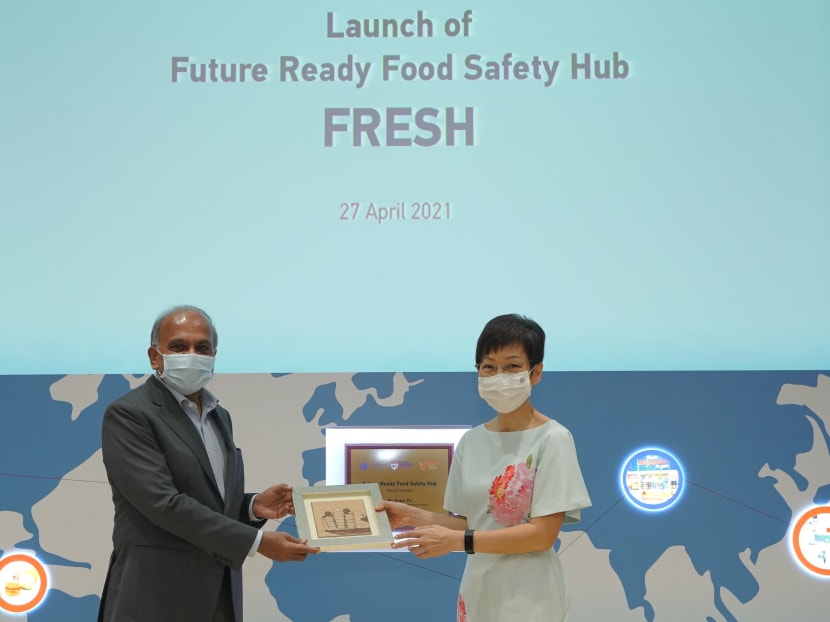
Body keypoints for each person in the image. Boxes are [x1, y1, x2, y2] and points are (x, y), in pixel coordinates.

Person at [98, 305, 319, 622]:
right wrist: (257, 542)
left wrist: (254, 507)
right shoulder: (130, 414)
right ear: (154, 356)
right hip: (154, 598)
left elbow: (209, 500)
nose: (192, 355)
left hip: (219, 595)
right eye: (178, 346)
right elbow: (163, 503)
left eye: (202, 347)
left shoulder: (219, 416)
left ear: (214, 355)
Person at [377, 313, 591, 622]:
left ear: (536, 373)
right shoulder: (472, 441)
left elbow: (542, 535)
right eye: (489, 367)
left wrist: (458, 542)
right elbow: (473, 522)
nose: (499, 375)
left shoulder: (553, 438)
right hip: (478, 589)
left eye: (513, 366)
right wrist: (414, 516)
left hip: (531, 596)